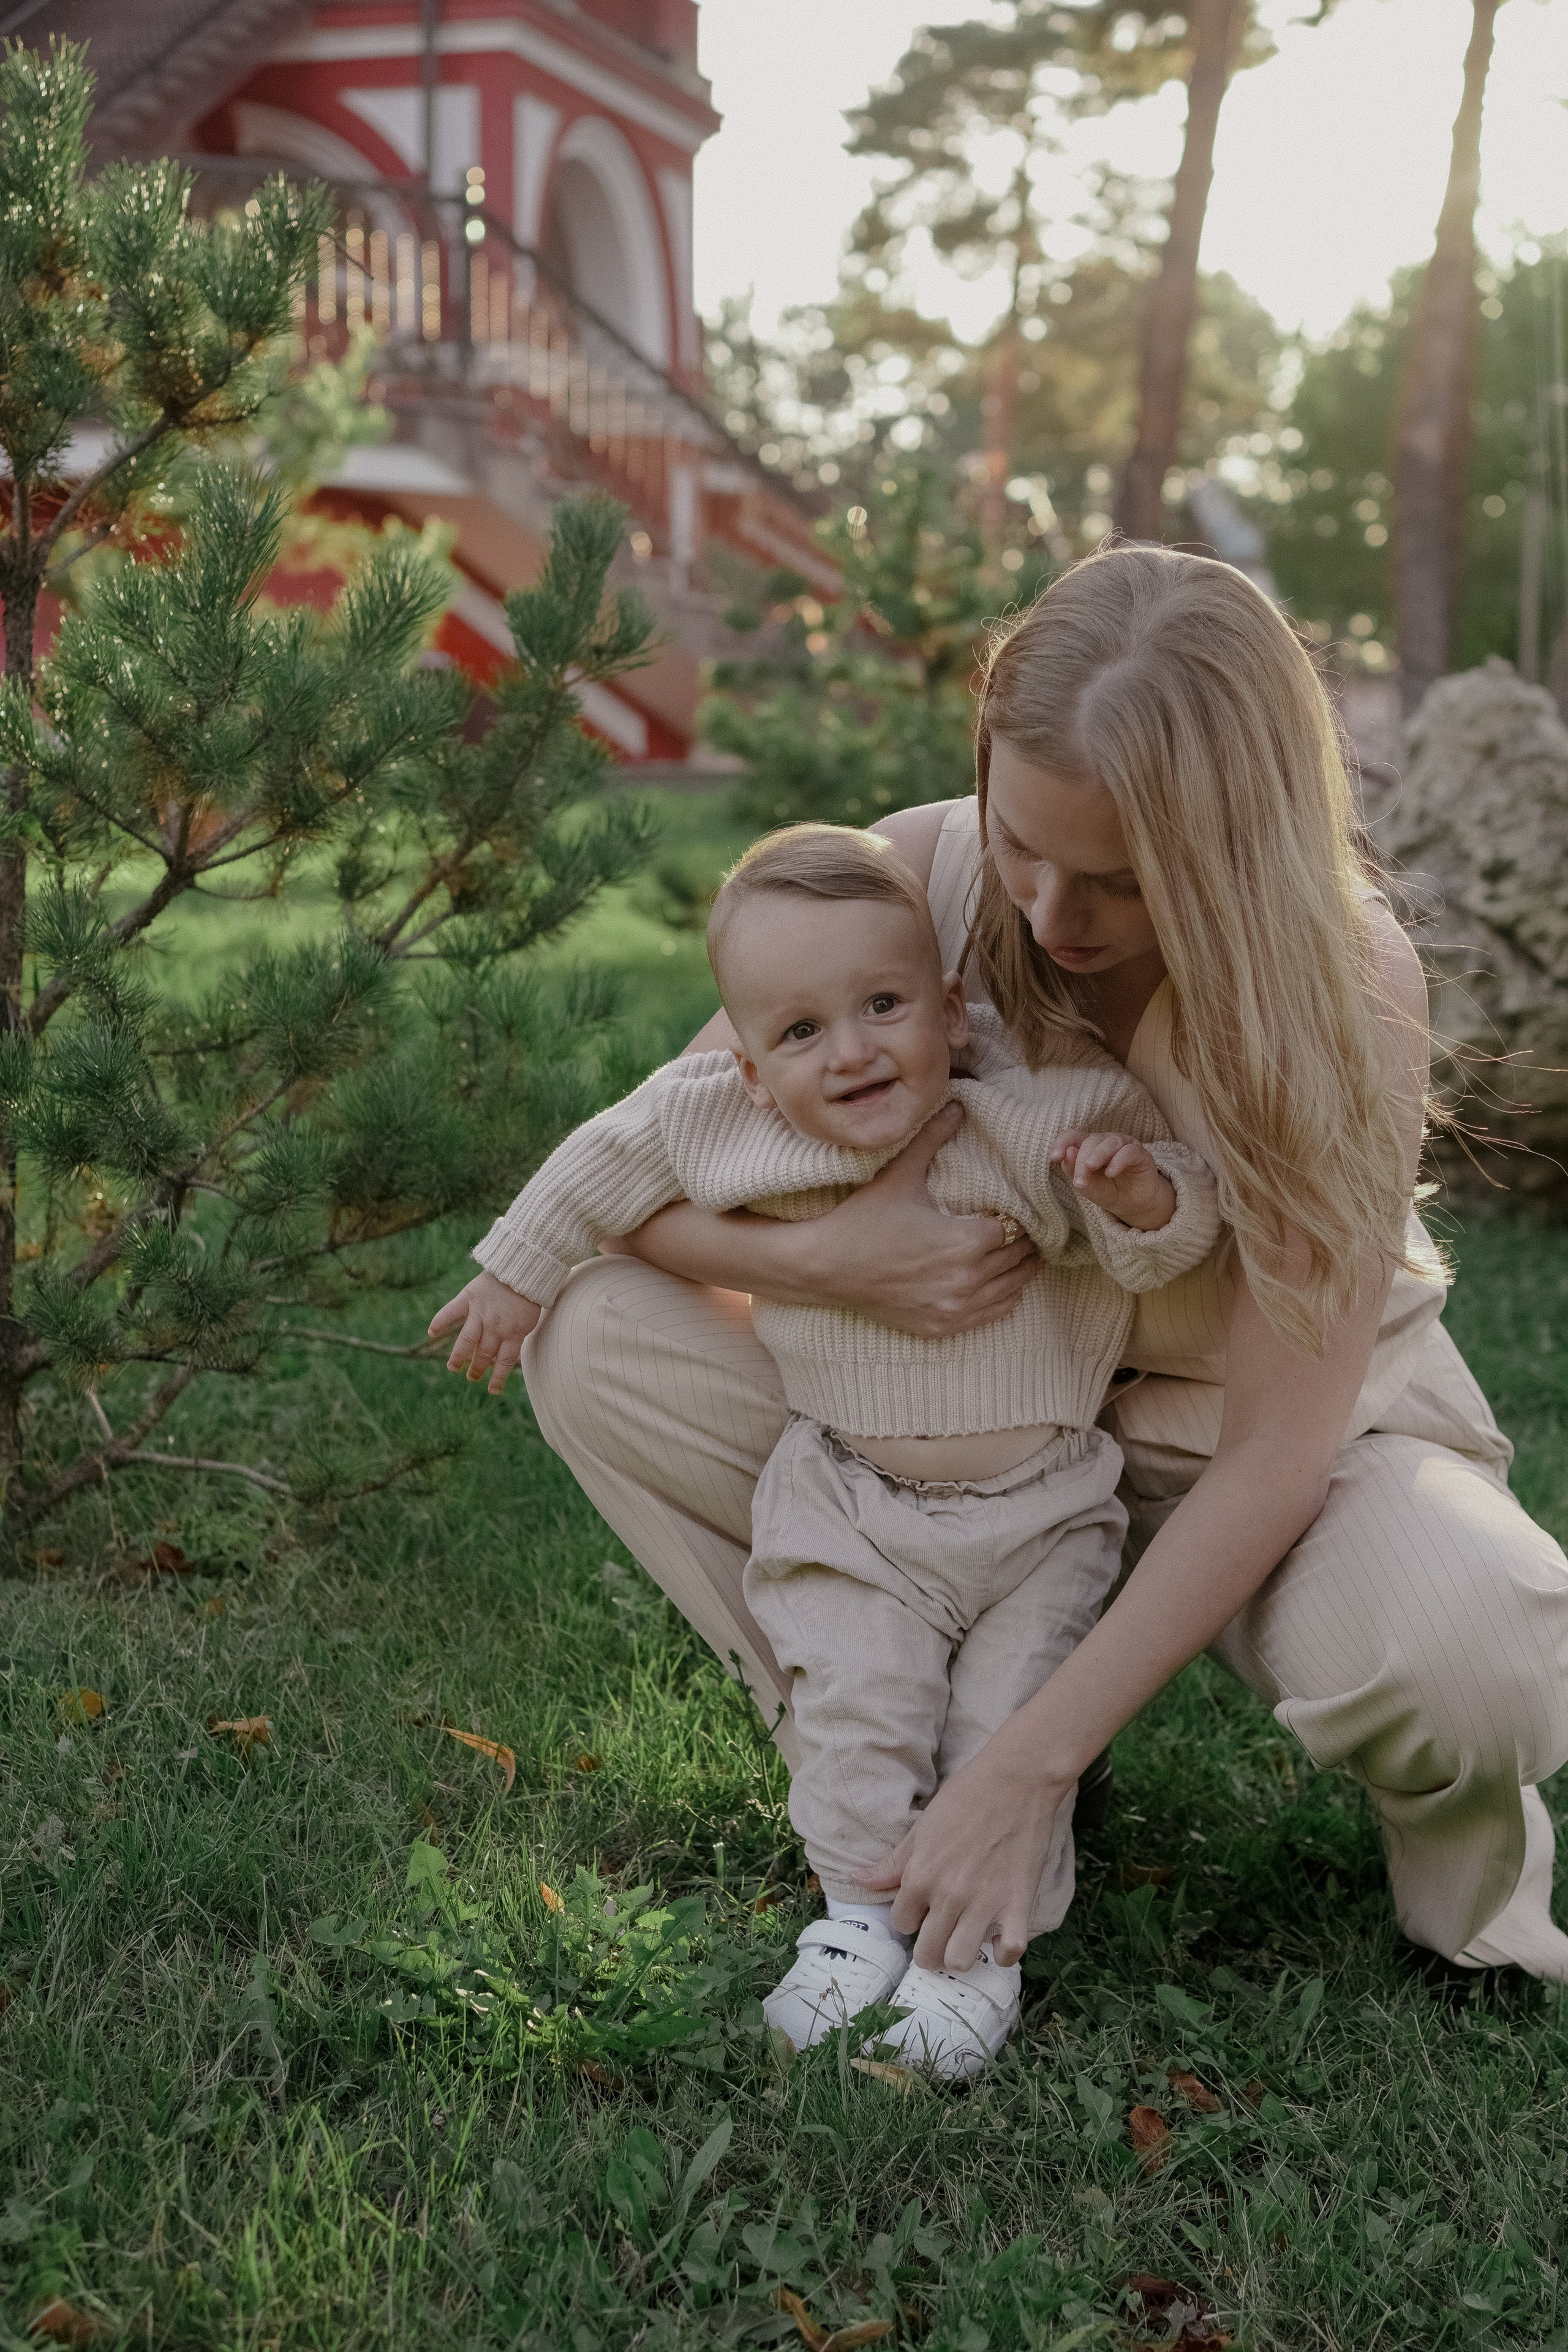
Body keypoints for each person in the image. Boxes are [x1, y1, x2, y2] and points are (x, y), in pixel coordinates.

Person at [435, 544, 1568, 1992]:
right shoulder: (908, 877)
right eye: (1020, 842)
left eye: (1117, 881)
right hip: (957, 1413)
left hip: (1257, 1438)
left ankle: (1395, 1870)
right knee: (593, 1335)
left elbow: (1274, 1454)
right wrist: (834, 1259)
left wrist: (1030, 1766)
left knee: (1478, 1654)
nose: (1046, 915)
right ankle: (892, 1775)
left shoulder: (1339, 989)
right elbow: (650, 1163)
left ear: (1238, 846)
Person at [432, 824, 1220, 2076]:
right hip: (852, 1500)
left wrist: (1140, 1194)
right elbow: (603, 1158)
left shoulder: (1030, 1119)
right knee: (859, 1712)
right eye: (801, 1032)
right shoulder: (732, 1127)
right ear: (749, 1071)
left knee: (1001, 1726)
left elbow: (1168, 1228)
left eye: (881, 1007)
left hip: (1040, 1518)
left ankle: (975, 1956)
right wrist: (512, 1274)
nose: (850, 1050)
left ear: (950, 1013)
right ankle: (857, 1916)